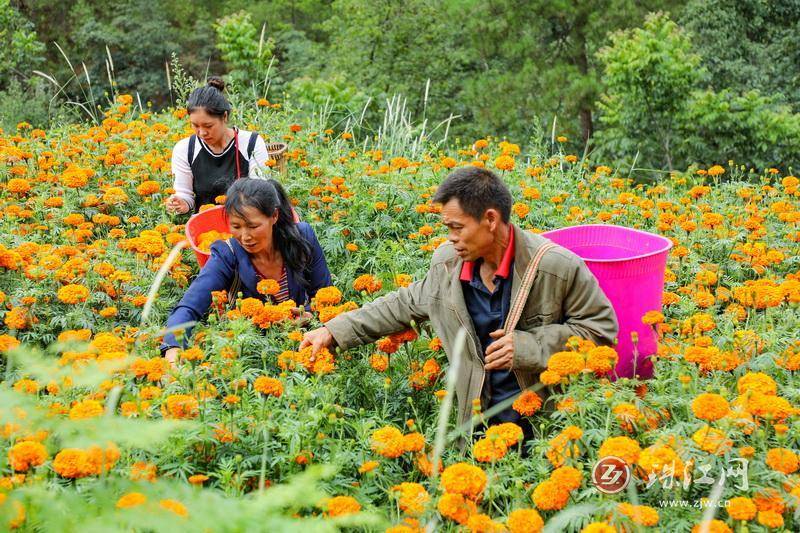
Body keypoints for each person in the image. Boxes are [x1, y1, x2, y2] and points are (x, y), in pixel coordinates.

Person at [301, 167, 618, 444]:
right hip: (477, 426)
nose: (451, 238)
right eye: (447, 229)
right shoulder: (447, 264)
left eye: (457, 227)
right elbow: (404, 303)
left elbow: (600, 334)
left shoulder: (557, 267)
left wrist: (527, 346)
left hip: (546, 428)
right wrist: (334, 330)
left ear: (490, 220)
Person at [162, 178, 332, 364]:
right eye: (236, 227)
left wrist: (309, 315)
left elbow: (325, 295)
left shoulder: (302, 238)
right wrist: (173, 349)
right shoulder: (227, 253)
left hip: (303, 344)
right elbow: (189, 307)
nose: (245, 236)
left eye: (253, 226)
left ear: (274, 216)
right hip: (251, 352)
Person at [166, 76, 271, 215]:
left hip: (245, 222)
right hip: (204, 227)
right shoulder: (185, 149)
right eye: (195, 125)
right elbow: (185, 194)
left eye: (208, 125)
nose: (202, 132)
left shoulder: (251, 143)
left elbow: (260, 192)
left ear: (225, 117)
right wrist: (181, 203)